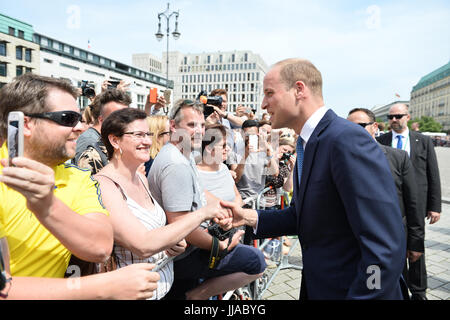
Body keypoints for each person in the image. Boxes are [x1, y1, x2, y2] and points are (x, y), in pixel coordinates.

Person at [219, 58, 407, 300]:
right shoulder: (308, 143)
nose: (263, 103)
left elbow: (385, 246)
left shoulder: (346, 140)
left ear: (299, 90)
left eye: (269, 93)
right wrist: (247, 216)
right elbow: (304, 216)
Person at [0, 73, 160, 299]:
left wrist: (47, 206)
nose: (80, 127)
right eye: (67, 118)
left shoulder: (78, 176)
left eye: (78, 118)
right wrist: (102, 286)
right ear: (25, 124)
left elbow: (100, 247)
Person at [94, 108, 229, 300]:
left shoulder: (140, 178)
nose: (148, 141)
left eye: (148, 134)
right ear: (115, 140)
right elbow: (142, 244)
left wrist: (174, 242)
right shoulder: (104, 185)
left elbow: (157, 231)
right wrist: (201, 214)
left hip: (162, 290)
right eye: (139, 135)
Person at [148, 99, 265, 300]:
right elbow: (182, 225)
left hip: (189, 247)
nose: (200, 131)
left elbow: (200, 193)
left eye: (202, 125)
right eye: (191, 125)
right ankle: (196, 296)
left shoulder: (184, 154)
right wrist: (220, 246)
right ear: (173, 126)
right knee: (256, 261)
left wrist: (222, 211)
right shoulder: (176, 164)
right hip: (181, 255)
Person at [347, 108, 425, 294]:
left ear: (374, 127)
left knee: (391, 288)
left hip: (392, 243)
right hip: (356, 245)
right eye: (348, 127)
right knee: (367, 288)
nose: (352, 131)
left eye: (359, 126)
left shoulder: (397, 158)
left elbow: (413, 204)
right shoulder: (342, 158)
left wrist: (415, 243)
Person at [377, 103, 442, 300]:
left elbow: (433, 174)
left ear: (408, 117)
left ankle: (419, 291)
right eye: (390, 117)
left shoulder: (422, 140)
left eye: (398, 116)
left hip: (416, 204)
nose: (394, 120)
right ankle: (399, 286)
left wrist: (435, 206)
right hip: (393, 205)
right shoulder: (383, 140)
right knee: (396, 249)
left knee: (415, 247)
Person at [73, 89, 131, 174]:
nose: (126, 121)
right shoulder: (89, 142)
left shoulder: (109, 140)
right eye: (119, 116)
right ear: (101, 119)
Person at [233, 119, 279, 208]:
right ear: (242, 135)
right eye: (247, 135)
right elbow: (236, 179)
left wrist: (269, 152)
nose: (249, 138)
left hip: (259, 201)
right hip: (241, 200)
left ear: (258, 134)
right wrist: (245, 155)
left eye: (252, 135)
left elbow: (275, 173)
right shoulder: (235, 151)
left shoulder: (264, 151)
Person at [197, 123, 243, 207]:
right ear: (209, 148)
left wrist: (235, 211)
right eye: (223, 146)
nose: (227, 149)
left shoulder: (224, 168)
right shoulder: (195, 174)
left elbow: (237, 196)